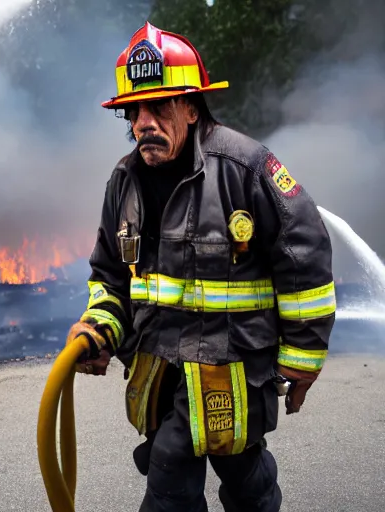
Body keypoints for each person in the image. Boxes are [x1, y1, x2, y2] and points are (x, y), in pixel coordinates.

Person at [66, 22, 336, 512]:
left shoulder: (246, 167)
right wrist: (99, 328)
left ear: (191, 107)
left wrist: (302, 357)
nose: (144, 121)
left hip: (232, 366)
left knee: (183, 471)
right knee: (234, 473)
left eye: (159, 106)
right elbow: (109, 275)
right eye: (134, 110)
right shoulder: (123, 182)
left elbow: (305, 254)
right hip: (159, 367)